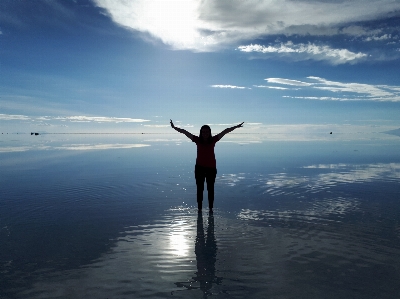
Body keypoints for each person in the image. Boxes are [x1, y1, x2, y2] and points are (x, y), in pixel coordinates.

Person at [170, 119, 244, 212]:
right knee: (199, 189)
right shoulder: (197, 140)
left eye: (207, 132)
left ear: (210, 133)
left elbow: (225, 131)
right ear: (201, 132)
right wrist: (174, 127)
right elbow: (184, 132)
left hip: (211, 169)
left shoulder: (213, 140)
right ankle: (200, 209)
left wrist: (236, 127)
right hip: (199, 168)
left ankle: (210, 209)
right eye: (203, 132)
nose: (205, 133)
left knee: (210, 189)